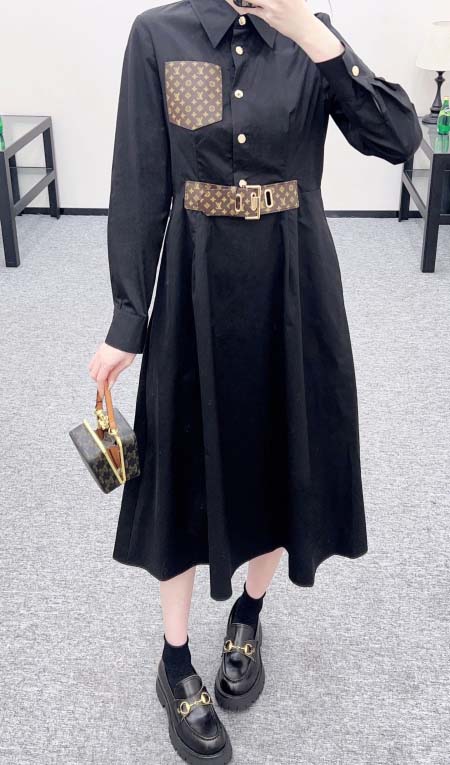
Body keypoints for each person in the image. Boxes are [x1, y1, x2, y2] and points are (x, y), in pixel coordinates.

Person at [88, 0, 422, 762]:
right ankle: (175, 657)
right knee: (178, 466)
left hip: (293, 285)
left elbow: (398, 137)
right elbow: (140, 181)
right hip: (196, 287)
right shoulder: (159, 35)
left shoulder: (311, 33)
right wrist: (127, 317)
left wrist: (315, 36)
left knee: (283, 448)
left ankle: (249, 611)